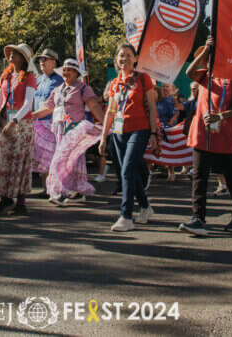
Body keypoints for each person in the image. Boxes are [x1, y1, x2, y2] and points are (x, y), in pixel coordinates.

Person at [178, 38, 232, 236]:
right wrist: (207, 48)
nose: (209, 60)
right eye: (208, 57)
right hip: (202, 135)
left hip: (226, 136)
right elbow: (188, 72)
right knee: (199, 178)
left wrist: (220, 116)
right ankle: (198, 219)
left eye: (213, 55)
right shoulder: (204, 76)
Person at [98, 43, 162, 232]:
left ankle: (126, 216)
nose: (124, 59)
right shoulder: (115, 83)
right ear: (116, 60)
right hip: (118, 133)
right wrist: (103, 138)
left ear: (135, 59)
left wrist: (152, 133)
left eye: (128, 55)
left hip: (139, 130)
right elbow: (110, 112)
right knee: (129, 172)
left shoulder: (143, 79)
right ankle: (145, 207)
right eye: (120, 56)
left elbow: (151, 107)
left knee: (126, 171)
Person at [0, 43, 39, 215]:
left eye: (16, 53)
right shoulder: (6, 76)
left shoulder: (29, 77)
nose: (11, 55)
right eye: (11, 52)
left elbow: (28, 103)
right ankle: (6, 197)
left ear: (23, 59)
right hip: (6, 122)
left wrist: (14, 121)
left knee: (18, 163)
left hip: (21, 125)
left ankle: (15, 201)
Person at [45, 58, 103, 205]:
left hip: (75, 130)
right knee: (63, 159)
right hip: (60, 130)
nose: (66, 72)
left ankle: (62, 191)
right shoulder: (58, 90)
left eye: (69, 70)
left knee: (69, 160)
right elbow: (47, 107)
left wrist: (106, 123)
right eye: (64, 70)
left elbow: (94, 106)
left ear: (76, 73)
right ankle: (70, 191)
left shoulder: (83, 88)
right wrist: (29, 115)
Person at [30, 49, 64, 183]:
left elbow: (53, 105)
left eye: (45, 59)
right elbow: (33, 100)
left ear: (54, 62)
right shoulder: (38, 80)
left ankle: (53, 188)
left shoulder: (60, 80)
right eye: (40, 60)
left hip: (51, 124)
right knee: (41, 158)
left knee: (51, 158)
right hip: (37, 124)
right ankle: (46, 189)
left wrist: (31, 116)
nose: (41, 62)